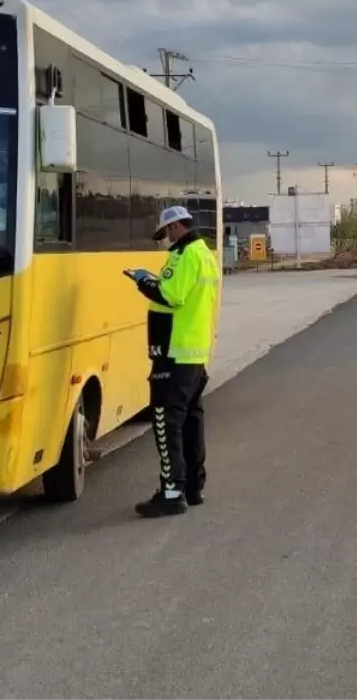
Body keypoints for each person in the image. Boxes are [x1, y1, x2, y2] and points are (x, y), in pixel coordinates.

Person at [126, 205, 220, 517]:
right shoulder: (206, 254)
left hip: (174, 355)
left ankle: (171, 492)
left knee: (168, 425)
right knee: (192, 423)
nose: (166, 239)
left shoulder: (183, 255)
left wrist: (143, 281)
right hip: (195, 353)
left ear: (176, 227)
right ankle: (193, 487)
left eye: (167, 233)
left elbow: (170, 296)